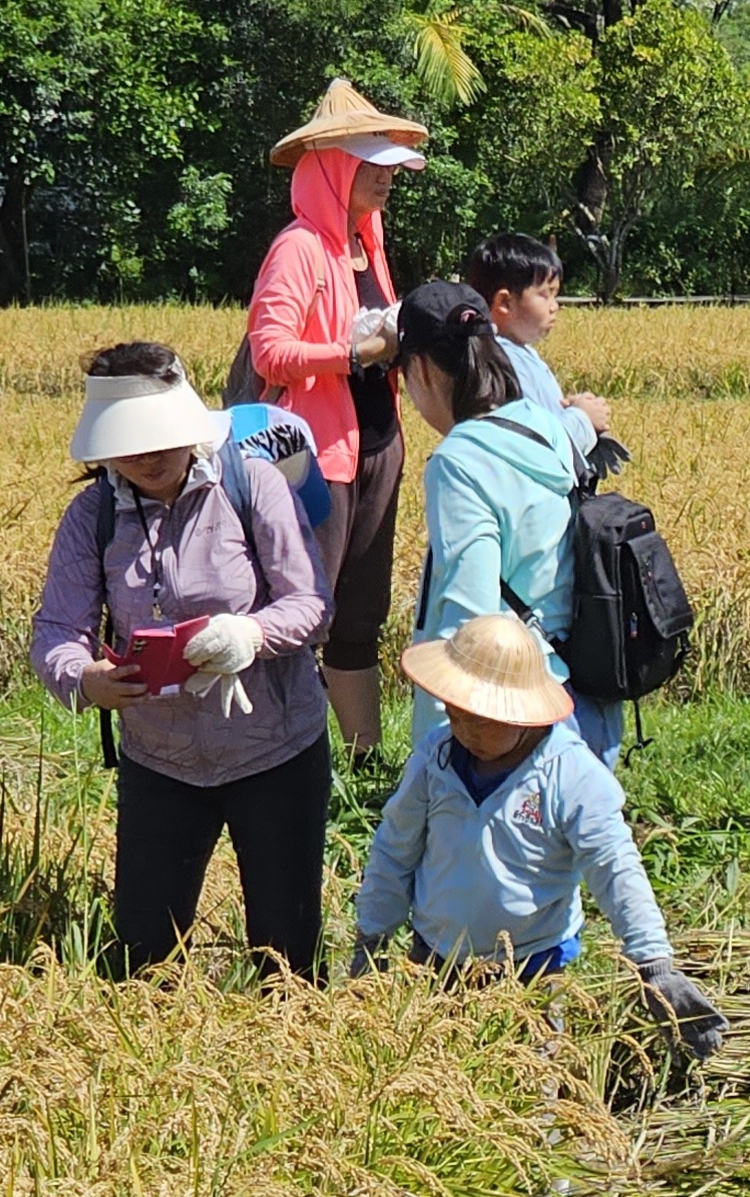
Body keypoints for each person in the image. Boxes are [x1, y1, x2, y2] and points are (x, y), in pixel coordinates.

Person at [31, 345, 331, 980]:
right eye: (130, 444)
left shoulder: (252, 485)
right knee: (143, 958)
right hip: (159, 760)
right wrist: (84, 679)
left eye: (159, 438)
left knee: (287, 952)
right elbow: (58, 629)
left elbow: (310, 603)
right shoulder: (94, 516)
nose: (147, 456)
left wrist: (250, 634)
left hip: (274, 749)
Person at [351, 613, 725, 1053]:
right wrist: (371, 935)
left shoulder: (570, 774)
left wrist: (653, 964)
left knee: (531, 1089)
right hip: (436, 960)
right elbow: (395, 848)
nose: (463, 730)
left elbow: (615, 867)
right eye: (454, 714)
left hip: (533, 969)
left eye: (480, 720)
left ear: (521, 713)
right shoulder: (436, 758)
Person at [247, 79, 427, 760]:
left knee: (360, 612)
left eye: (387, 168)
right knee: (305, 607)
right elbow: (271, 350)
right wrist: (352, 353)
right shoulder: (298, 249)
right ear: (333, 169)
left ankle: (361, 759)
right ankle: (287, 754)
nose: (384, 179)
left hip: (379, 442)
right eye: (371, 166)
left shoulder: (367, 245)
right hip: (313, 454)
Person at [397, 282, 626, 764]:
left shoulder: (459, 461)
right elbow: (576, 430)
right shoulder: (541, 427)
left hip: (506, 721)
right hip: (581, 709)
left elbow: (469, 613)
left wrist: (440, 753)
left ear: (418, 368)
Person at [459, 233, 609, 450]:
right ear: (504, 301)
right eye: (545, 294)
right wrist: (583, 418)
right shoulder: (502, 363)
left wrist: (572, 409)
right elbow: (534, 444)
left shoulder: (519, 352)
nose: (554, 306)